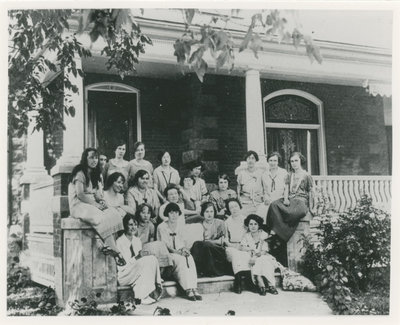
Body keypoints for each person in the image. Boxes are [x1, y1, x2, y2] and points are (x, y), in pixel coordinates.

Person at [68, 148, 126, 266]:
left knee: (114, 213)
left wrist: (101, 201)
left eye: (96, 158)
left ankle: (110, 246)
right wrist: (96, 205)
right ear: (85, 158)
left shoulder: (95, 174)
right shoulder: (80, 172)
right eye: (91, 157)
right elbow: (80, 194)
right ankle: (114, 250)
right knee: (99, 216)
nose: (94, 160)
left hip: (90, 203)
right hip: (78, 204)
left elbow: (95, 194)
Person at [266, 152, 316, 242]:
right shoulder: (289, 175)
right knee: (273, 205)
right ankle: (274, 230)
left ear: (301, 161)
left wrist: (312, 207)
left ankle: (281, 232)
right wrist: (285, 199)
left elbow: (311, 192)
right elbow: (286, 188)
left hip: (301, 201)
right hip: (290, 199)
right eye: (292, 161)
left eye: (296, 161)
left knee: (295, 212)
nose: (294, 163)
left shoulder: (306, 175)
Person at [157, 203, 202, 301]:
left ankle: (194, 288)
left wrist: (185, 250)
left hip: (179, 252)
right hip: (168, 254)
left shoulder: (181, 226)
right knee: (181, 260)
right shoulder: (162, 227)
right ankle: (188, 289)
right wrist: (177, 253)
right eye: (171, 212)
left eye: (176, 212)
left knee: (189, 258)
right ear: (167, 214)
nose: (174, 215)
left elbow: (183, 241)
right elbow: (164, 245)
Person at [116, 214, 162, 304]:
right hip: (124, 275)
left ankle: (148, 293)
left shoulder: (137, 240)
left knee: (152, 258)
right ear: (125, 226)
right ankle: (143, 296)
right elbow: (123, 265)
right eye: (130, 225)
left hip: (136, 272)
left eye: (135, 225)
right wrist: (138, 257)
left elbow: (140, 262)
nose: (133, 227)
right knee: (145, 261)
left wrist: (142, 256)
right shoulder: (119, 242)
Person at [240, 214, 278, 295]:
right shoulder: (246, 236)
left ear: (259, 225)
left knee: (263, 260)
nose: (253, 226)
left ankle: (268, 284)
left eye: (255, 224)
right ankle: (263, 284)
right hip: (252, 257)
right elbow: (242, 247)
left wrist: (255, 255)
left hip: (263, 256)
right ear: (247, 225)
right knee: (258, 261)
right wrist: (251, 249)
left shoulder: (263, 234)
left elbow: (264, 251)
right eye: (251, 224)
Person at [190, 202, 232, 277]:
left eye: (211, 211)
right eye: (206, 211)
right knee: (197, 245)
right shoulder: (199, 224)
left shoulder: (220, 223)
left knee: (204, 244)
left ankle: (212, 271)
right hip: (204, 251)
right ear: (203, 212)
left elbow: (223, 241)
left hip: (218, 250)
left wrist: (207, 242)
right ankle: (197, 271)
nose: (209, 214)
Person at [223, 198, 251, 293]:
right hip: (232, 246)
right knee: (235, 254)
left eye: (236, 206)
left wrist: (243, 246)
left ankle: (250, 281)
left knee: (246, 254)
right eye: (231, 207)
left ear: (239, 207)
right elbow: (225, 239)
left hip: (244, 245)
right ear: (228, 210)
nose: (234, 209)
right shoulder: (227, 222)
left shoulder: (246, 220)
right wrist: (234, 246)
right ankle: (238, 280)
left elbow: (249, 236)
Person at [135, 203, 173, 270]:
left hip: (146, 248)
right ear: (138, 213)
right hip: (137, 248)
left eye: (148, 213)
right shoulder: (135, 224)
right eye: (143, 213)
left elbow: (151, 242)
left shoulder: (151, 225)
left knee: (160, 244)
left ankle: (166, 267)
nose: (146, 215)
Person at [260, 152, 288, 223]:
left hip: (280, 200)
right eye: (271, 160)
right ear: (268, 161)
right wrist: (266, 198)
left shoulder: (283, 172)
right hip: (269, 201)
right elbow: (264, 191)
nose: (273, 163)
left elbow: (286, 188)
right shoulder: (264, 174)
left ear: (278, 162)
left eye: (275, 161)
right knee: (262, 214)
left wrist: (285, 199)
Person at [237, 151, 265, 216]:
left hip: (258, 202)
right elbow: (238, 189)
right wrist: (240, 202)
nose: (251, 160)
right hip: (245, 202)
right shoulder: (241, 173)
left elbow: (265, 188)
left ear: (256, 160)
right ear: (246, 160)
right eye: (249, 158)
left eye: (253, 158)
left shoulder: (261, 173)